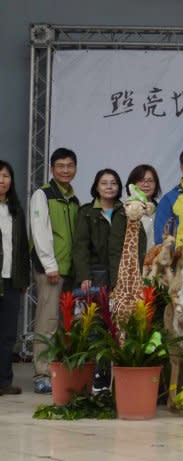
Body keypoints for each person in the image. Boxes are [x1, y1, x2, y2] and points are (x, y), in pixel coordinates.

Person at [29, 147, 80, 394]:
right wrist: (50, 265)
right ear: (51, 169)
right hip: (51, 270)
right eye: (60, 166)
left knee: (64, 323)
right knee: (47, 323)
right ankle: (42, 373)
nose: (65, 170)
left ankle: (58, 371)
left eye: (70, 166)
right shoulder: (43, 195)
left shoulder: (73, 199)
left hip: (69, 270)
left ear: (75, 169)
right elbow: (40, 232)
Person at [0, 160, 29, 395]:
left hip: (11, 279)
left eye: (6, 176)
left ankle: (4, 381)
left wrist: (23, 280)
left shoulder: (16, 210)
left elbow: (22, 248)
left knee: (8, 334)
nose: (2, 180)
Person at [72, 169, 123, 296]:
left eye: (113, 183)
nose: (109, 187)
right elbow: (81, 246)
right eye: (104, 183)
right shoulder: (87, 212)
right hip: (95, 274)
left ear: (119, 187)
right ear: (96, 187)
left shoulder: (126, 212)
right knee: (95, 314)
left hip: (122, 274)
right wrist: (84, 275)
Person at [108, 165, 160, 286]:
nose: (146, 184)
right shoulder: (124, 212)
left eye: (150, 181)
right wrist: (118, 280)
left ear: (156, 185)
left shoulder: (162, 210)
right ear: (132, 185)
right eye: (141, 180)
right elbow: (115, 250)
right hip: (132, 275)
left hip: (156, 273)